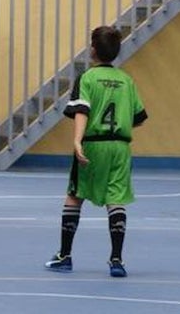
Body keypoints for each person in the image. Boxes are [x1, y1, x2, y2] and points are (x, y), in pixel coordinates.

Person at [44, 25, 148, 278]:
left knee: (74, 195)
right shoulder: (127, 80)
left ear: (93, 49)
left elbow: (82, 111)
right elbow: (140, 118)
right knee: (116, 199)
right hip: (121, 147)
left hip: (94, 144)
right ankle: (116, 260)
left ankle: (64, 256)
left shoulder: (87, 78)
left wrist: (77, 140)